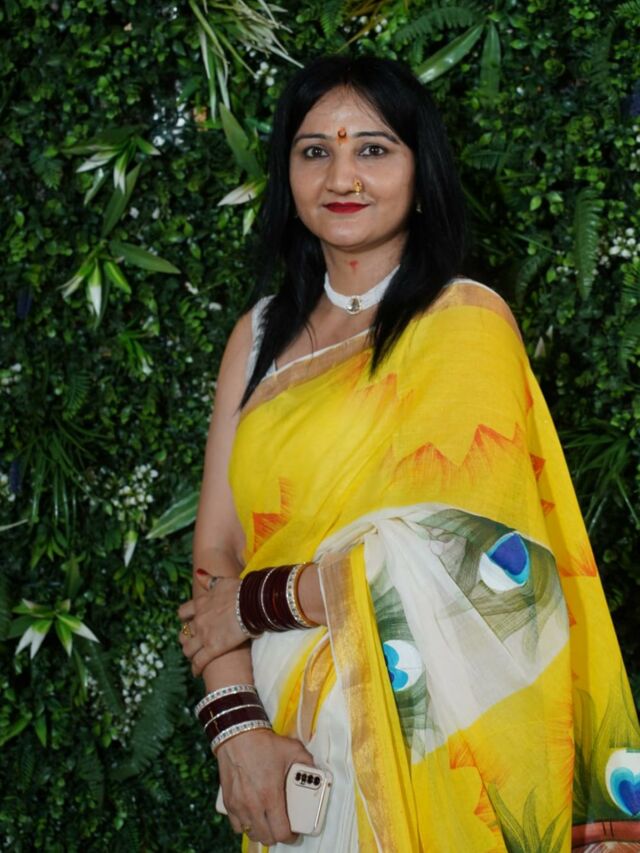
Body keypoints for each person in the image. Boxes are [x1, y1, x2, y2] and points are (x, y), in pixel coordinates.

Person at [178, 55, 640, 852]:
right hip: (288, 749)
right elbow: (216, 550)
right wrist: (236, 728)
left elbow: (482, 564)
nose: (342, 176)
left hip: (438, 744)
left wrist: (261, 602)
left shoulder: (465, 322)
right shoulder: (256, 339)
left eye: (374, 149)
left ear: (422, 175)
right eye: (314, 150)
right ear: (287, 175)